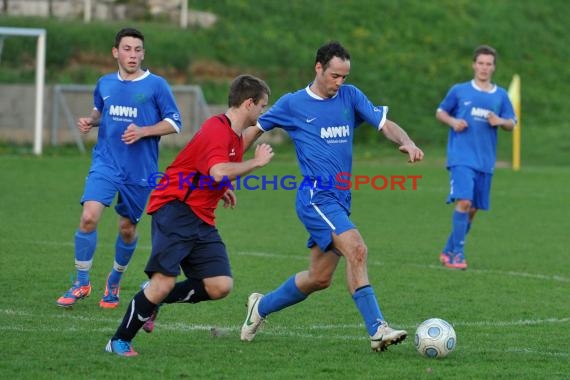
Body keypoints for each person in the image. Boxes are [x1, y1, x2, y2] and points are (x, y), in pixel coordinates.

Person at [239, 41, 424, 352]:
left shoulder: (350, 96)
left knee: (319, 278)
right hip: (315, 197)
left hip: (340, 199)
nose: (340, 83)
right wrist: (226, 166)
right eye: (335, 76)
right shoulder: (292, 103)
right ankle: (377, 329)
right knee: (358, 249)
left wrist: (405, 141)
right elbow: (252, 130)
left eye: (344, 77)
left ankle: (261, 306)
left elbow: (384, 124)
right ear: (318, 68)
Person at [105, 74, 273, 356]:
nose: (262, 112)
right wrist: (255, 163)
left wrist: (220, 191)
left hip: (201, 216)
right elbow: (218, 169)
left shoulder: (232, 135)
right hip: (176, 208)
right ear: (248, 104)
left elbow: (208, 170)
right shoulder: (217, 129)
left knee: (220, 285)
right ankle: (119, 341)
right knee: (163, 282)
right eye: (262, 106)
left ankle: (154, 298)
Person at [56, 28, 182, 309]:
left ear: (143, 53)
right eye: (127, 49)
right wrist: (91, 121)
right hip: (106, 162)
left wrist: (144, 131)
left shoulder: (156, 85)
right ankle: (81, 282)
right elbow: (103, 112)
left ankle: (114, 280)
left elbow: (175, 123)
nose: (133, 55)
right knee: (89, 217)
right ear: (115, 52)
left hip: (139, 170)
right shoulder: (104, 83)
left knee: (127, 229)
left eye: (138, 49)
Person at [436, 45, 516, 270]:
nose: (484, 67)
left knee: (472, 209)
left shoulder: (500, 95)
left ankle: (448, 250)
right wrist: (453, 122)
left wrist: (500, 122)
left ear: (494, 67)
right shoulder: (459, 90)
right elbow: (440, 111)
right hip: (461, 157)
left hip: (485, 161)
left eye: (488, 64)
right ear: (474, 65)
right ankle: (457, 255)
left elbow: (512, 122)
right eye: (480, 63)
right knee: (464, 201)